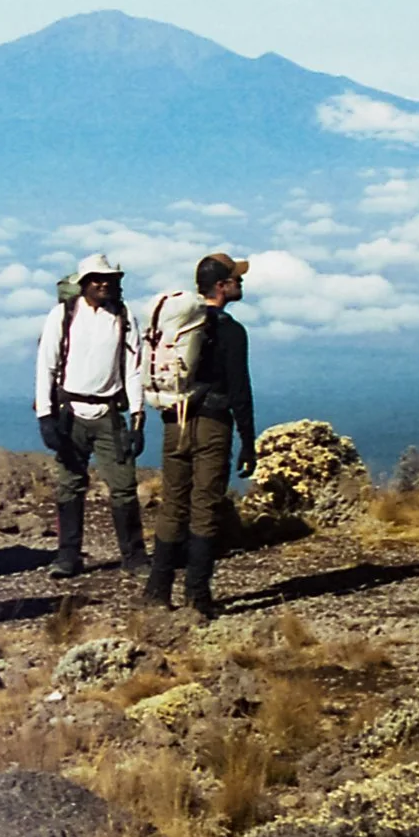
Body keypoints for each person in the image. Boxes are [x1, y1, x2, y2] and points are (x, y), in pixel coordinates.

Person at [145, 253, 255, 621]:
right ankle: (197, 595)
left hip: (175, 420)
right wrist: (248, 440)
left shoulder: (180, 327)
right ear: (221, 286)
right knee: (205, 506)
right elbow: (239, 389)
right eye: (236, 279)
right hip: (211, 424)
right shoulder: (230, 330)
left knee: (173, 502)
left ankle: (157, 591)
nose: (241, 283)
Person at [33, 254, 149, 579]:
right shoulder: (62, 316)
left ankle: (135, 557)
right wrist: (45, 416)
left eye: (109, 278)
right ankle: (68, 557)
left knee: (123, 486)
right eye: (96, 278)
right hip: (70, 412)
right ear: (83, 283)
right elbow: (47, 364)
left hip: (109, 412)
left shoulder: (125, 317)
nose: (103, 283)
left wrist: (138, 418)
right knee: (70, 485)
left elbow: (134, 369)